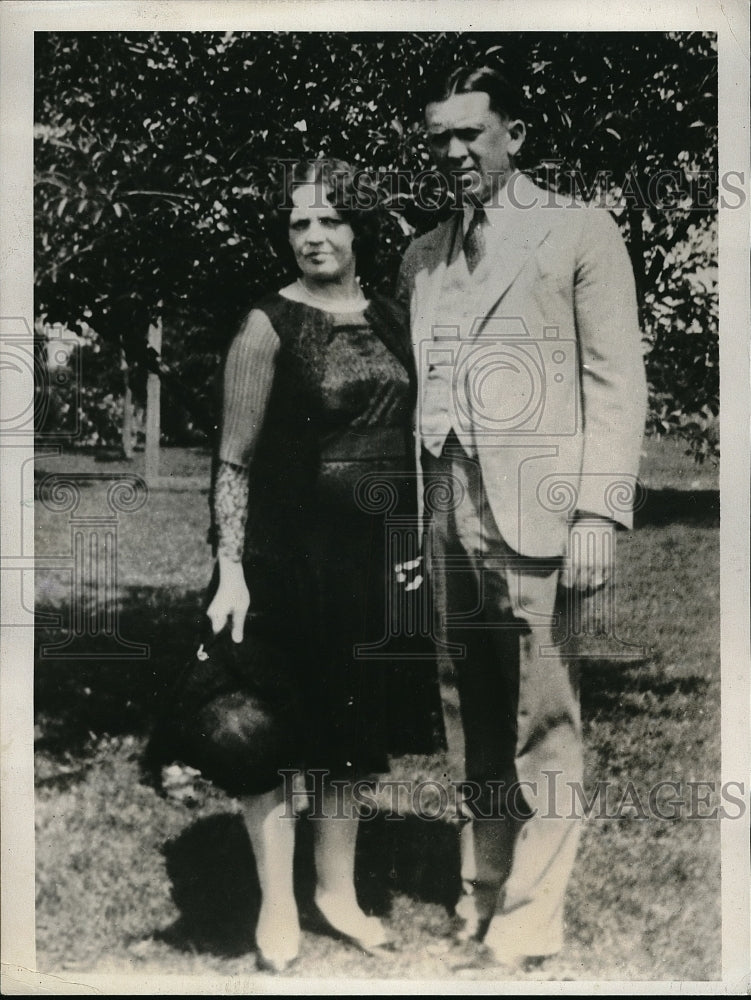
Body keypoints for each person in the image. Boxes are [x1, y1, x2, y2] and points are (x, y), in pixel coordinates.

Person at [397, 66, 648, 968]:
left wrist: (595, 513)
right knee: (469, 711)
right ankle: (481, 891)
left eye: (471, 133)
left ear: (515, 134)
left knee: (543, 718)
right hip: (446, 509)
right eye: (439, 139)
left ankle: (531, 920)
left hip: (542, 512)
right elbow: (421, 397)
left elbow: (614, 381)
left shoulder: (578, 229)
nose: (456, 152)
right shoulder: (421, 255)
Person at [206, 158, 434, 972]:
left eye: (328, 219)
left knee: (349, 730)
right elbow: (232, 460)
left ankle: (336, 893)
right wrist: (230, 567)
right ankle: (276, 904)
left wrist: (413, 542)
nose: (312, 236)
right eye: (298, 222)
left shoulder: (396, 317)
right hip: (282, 559)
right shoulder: (266, 324)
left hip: (370, 563)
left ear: (357, 228)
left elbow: (416, 443)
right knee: (266, 728)